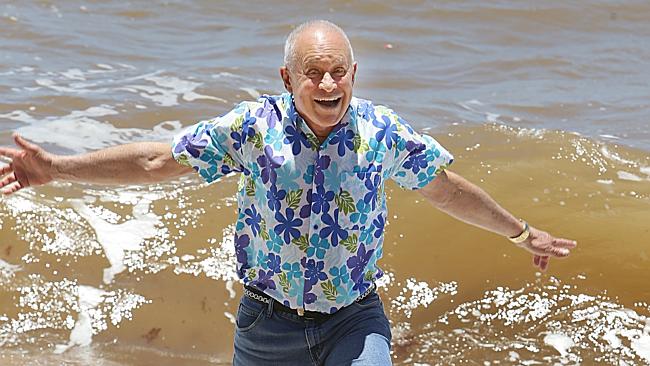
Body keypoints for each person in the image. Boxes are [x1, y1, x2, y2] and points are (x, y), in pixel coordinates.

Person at [0, 20, 576, 366]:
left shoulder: (382, 133)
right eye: (312, 73)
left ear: (355, 72)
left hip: (355, 320)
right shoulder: (253, 129)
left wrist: (522, 232)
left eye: (338, 72)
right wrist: (55, 168)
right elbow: (157, 161)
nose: (328, 85)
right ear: (286, 78)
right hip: (266, 326)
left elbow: (446, 191)